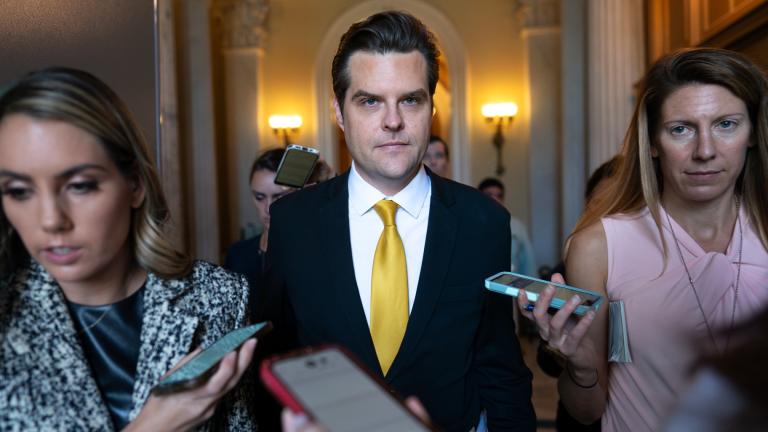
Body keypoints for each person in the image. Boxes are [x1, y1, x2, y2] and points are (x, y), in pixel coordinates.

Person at [261, 11, 534, 432]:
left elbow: (499, 368)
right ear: (338, 111)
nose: (393, 121)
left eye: (410, 99)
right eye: (370, 101)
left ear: (431, 107)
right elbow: (276, 359)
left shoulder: (483, 221)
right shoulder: (293, 222)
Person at [518, 48, 768, 432]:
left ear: (752, 133)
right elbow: (587, 411)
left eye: (726, 125)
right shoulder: (599, 247)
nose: (705, 150)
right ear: (652, 143)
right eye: (681, 129)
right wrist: (581, 365)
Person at [0, 67, 256, 431]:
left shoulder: (219, 295)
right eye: (19, 192)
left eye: (80, 185)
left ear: (135, 184)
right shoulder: (7, 318)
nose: (51, 220)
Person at [224, 148, 294, 289]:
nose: (268, 208)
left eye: (278, 197)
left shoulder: (311, 254)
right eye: (259, 197)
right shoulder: (237, 255)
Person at [478, 177, 538, 277]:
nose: (495, 199)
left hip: (511, 286)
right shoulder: (470, 225)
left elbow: (528, 264)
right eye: (489, 194)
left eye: (499, 195)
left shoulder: (517, 227)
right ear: (479, 196)